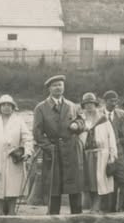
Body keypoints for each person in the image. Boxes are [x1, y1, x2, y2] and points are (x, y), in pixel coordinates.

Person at [33, 75, 86, 215]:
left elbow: (82, 121)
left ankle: (77, 222)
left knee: (74, 189)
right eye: (55, 85)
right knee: (53, 190)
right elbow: (37, 134)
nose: (58, 87)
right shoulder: (41, 108)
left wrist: (77, 124)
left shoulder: (72, 106)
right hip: (53, 154)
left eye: (60, 85)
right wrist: (50, 148)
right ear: (49, 89)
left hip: (71, 152)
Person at [0, 95, 34, 216]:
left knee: (13, 188)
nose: (6, 107)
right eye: (3, 105)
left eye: (9, 105)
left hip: (13, 159)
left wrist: (27, 152)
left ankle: (12, 214)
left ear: (13, 107)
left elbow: (28, 138)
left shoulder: (19, 121)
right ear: (0, 107)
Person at [79, 93, 118, 213]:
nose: (89, 107)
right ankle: (92, 206)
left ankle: (98, 207)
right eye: (86, 104)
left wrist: (112, 155)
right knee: (88, 181)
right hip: (86, 154)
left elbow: (111, 137)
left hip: (101, 154)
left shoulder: (103, 119)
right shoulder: (81, 120)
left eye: (91, 104)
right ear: (84, 106)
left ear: (95, 105)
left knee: (99, 181)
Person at [102, 90, 124, 212]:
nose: (114, 103)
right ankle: (108, 209)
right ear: (105, 101)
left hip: (119, 151)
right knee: (106, 179)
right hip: (103, 152)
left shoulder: (122, 114)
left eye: (116, 101)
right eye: (111, 101)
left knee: (123, 178)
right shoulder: (99, 115)